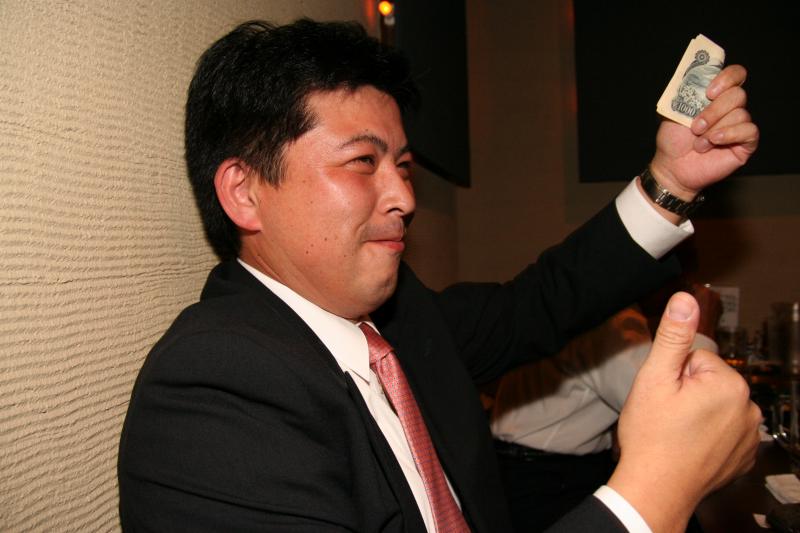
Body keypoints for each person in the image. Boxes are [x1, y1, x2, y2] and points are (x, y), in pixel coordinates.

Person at [117, 19, 761, 532]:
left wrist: (671, 182)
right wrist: (651, 496)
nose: (404, 196)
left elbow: (539, 303)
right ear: (245, 192)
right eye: (362, 161)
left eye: (402, 166)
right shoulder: (215, 387)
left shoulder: (397, 321)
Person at [488, 285, 722, 531]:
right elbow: (676, 416)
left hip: (513, 466)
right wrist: (702, 329)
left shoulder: (566, 299)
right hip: (549, 480)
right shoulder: (614, 320)